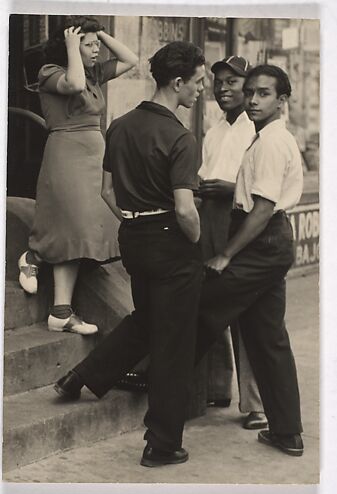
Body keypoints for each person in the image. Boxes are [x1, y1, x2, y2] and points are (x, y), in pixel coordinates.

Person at [55, 64, 304, 458]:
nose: (252, 100)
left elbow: (262, 210)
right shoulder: (251, 135)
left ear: (283, 100)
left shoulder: (272, 142)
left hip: (259, 241)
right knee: (267, 337)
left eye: (263, 94)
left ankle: (121, 379)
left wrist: (224, 254)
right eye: (251, 92)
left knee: (185, 313)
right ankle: (287, 432)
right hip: (262, 242)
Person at [55, 41, 206, 467]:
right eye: (197, 83)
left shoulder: (119, 125)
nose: (200, 91)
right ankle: (161, 444)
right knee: (174, 342)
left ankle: (82, 375)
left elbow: (106, 191)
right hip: (170, 240)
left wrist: (135, 218)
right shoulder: (180, 136)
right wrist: (193, 242)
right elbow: (184, 209)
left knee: (149, 319)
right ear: (177, 82)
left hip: (134, 237)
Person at [18, 15, 138, 334]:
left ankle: (59, 311)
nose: (97, 49)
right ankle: (34, 257)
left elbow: (132, 59)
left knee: (88, 230)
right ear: (70, 45)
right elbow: (73, 84)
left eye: (97, 43)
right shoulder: (50, 72)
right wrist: (72, 45)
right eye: (89, 44)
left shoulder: (93, 73)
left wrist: (99, 32)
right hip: (66, 153)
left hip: (94, 155)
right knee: (72, 226)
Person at [197, 56, 267, 430]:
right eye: (218, 82)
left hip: (237, 219)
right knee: (209, 303)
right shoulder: (214, 130)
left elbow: (262, 190)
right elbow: (205, 174)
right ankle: (217, 386)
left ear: (248, 88)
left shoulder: (254, 129)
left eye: (232, 82)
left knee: (244, 310)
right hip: (208, 217)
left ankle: (256, 404)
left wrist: (228, 188)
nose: (223, 88)